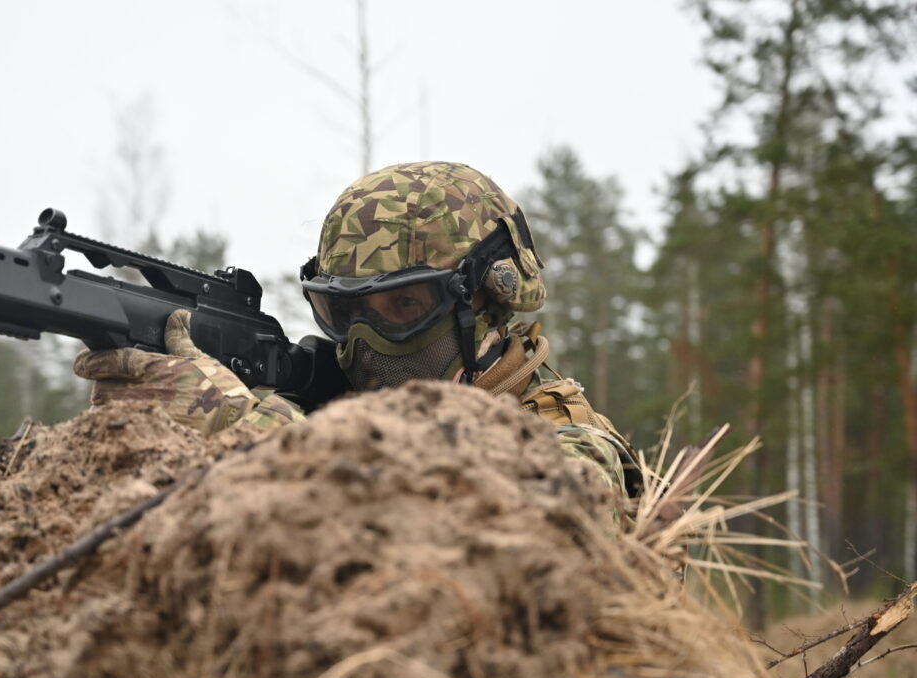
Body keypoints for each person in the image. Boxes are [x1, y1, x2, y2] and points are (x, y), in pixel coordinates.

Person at [75, 161, 639, 505]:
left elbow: (504, 550)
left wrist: (256, 438)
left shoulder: (572, 446)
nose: (366, 342)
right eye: (344, 311)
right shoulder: (328, 410)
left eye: (404, 305)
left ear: (485, 305)